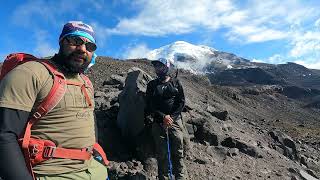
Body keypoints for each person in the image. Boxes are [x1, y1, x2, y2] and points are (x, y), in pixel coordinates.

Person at [0, 21, 108, 180]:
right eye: (75, 41)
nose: (82, 49)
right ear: (61, 41)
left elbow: (90, 121)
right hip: (53, 173)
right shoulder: (30, 73)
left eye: (90, 46)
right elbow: (4, 134)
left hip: (94, 170)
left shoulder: (86, 82)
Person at [145, 58, 188, 180]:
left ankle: (181, 177)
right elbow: (150, 104)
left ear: (167, 67)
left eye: (161, 66)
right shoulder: (152, 85)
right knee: (162, 154)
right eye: (156, 66)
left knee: (178, 152)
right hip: (159, 122)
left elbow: (181, 102)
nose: (158, 68)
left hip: (174, 121)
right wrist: (163, 116)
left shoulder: (176, 83)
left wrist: (172, 117)